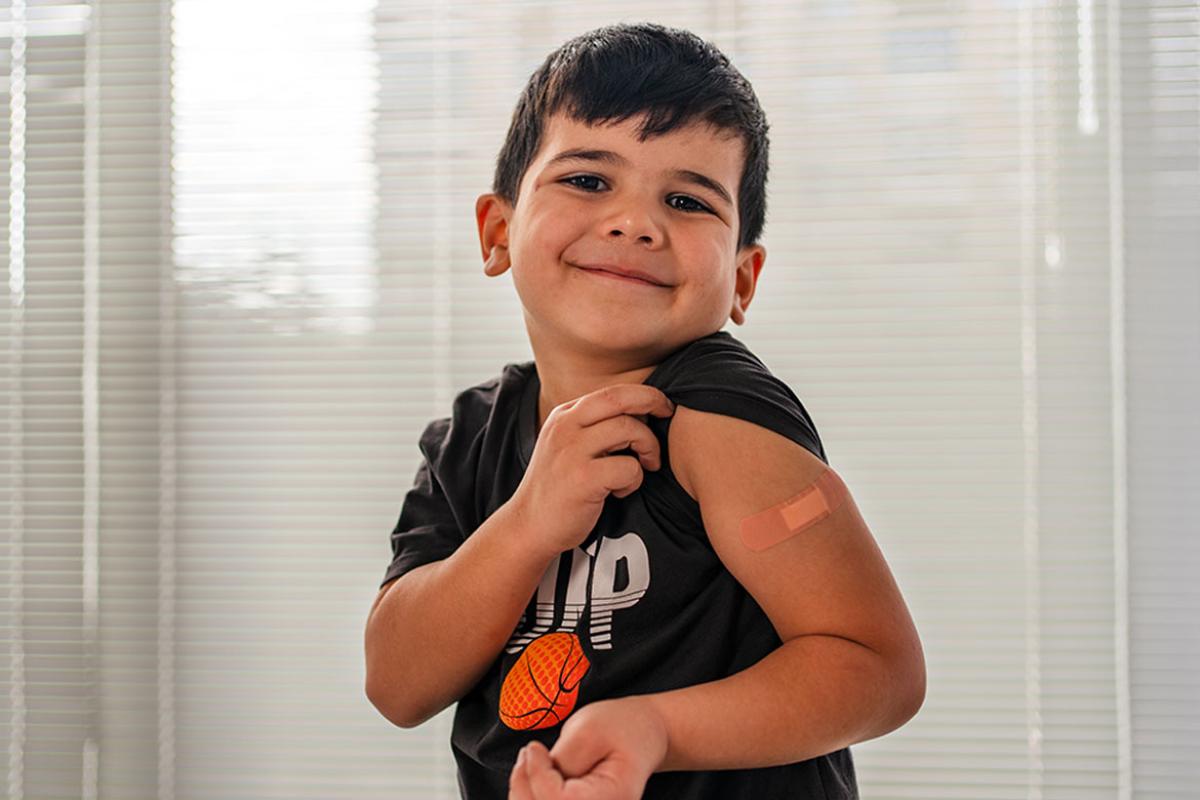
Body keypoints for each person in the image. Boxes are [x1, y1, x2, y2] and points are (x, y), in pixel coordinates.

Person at [364, 21, 925, 800]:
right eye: (588, 180)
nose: (634, 221)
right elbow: (397, 684)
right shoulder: (469, 440)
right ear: (498, 232)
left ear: (742, 280)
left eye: (688, 199)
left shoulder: (716, 415)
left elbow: (877, 667)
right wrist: (528, 521)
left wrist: (658, 729)